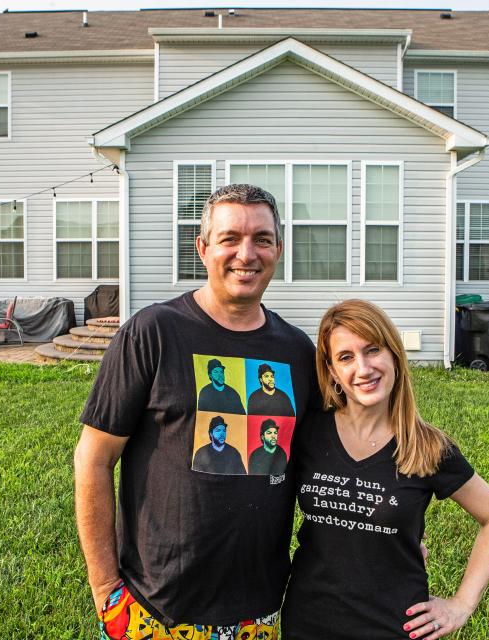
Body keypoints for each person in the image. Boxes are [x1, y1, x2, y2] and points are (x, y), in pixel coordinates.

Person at [74, 184, 316, 640]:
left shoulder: (297, 352)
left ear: (278, 250)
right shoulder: (153, 333)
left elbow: (325, 463)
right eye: (230, 238)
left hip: (258, 611)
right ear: (203, 248)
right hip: (152, 608)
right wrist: (105, 588)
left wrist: (394, 530)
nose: (247, 254)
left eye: (262, 239)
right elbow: (93, 458)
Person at [282, 299, 489, 639]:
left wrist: (462, 604)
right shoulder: (307, 432)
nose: (363, 368)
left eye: (372, 350)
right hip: (309, 620)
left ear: (393, 355)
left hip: (393, 624)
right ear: (331, 371)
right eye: (346, 357)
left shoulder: (427, 446)